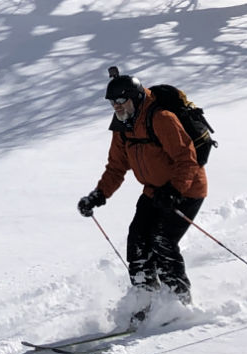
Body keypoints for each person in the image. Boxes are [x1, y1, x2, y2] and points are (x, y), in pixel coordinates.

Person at [76, 67, 207, 306]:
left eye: (120, 100)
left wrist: (175, 191)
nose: (116, 106)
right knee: (137, 240)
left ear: (135, 98)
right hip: (154, 191)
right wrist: (98, 195)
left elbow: (186, 159)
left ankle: (178, 302)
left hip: (186, 190)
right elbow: (116, 167)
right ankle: (145, 300)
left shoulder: (161, 119)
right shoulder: (122, 126)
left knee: (161, 240)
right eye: (112, 102)